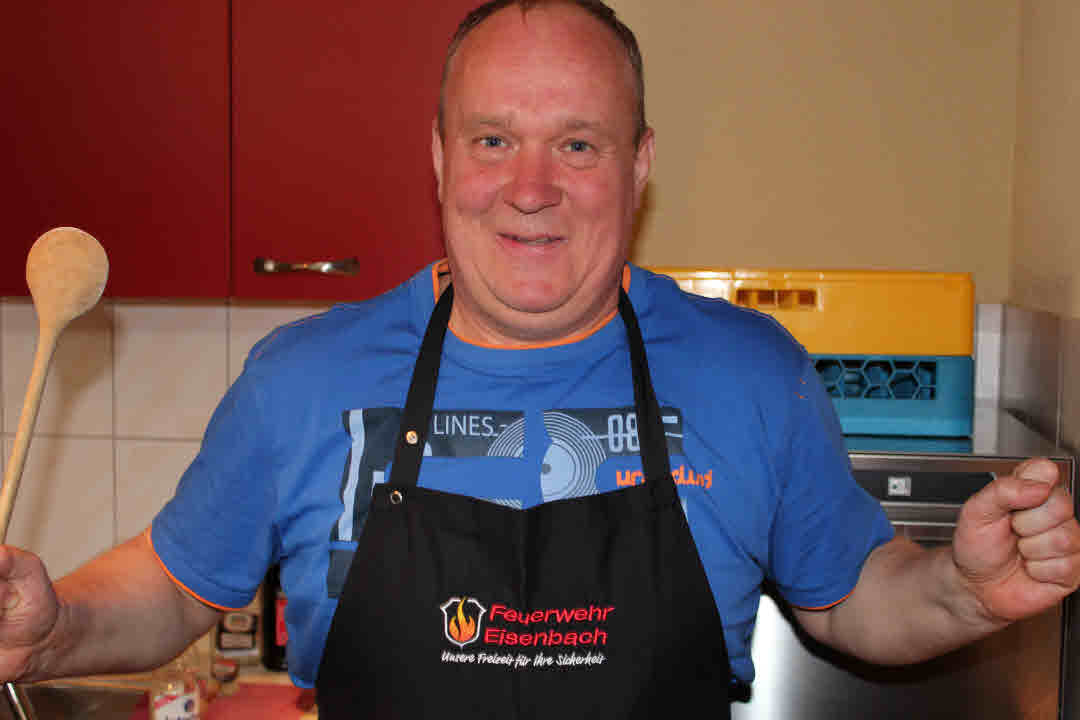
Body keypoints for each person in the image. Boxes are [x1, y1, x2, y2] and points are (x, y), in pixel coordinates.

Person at [1, 0, 1078, 717]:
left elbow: (853, 600)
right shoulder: (302, 378)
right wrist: (54, 631)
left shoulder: (753, 375)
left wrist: (964, 592)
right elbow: (175, 584)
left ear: (638, 166)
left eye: (576, 143)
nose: (530, 188)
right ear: (439, 158)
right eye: (492, 140)